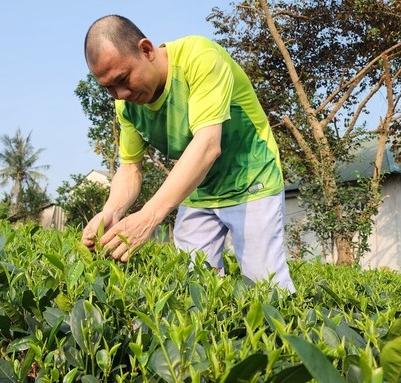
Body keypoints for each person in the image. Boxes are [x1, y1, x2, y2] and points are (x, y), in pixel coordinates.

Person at [81, 14, 295, 293]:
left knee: (265, 286)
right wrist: (111, 211)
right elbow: (130, 168)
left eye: (123, 79)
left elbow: (207, 145)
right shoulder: (127, 106)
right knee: (194, 285)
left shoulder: (199, 58)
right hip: (199, 187)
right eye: (108, 87)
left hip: (252, 180)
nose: (120, 94)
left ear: (146, 50)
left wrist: (147, 217)